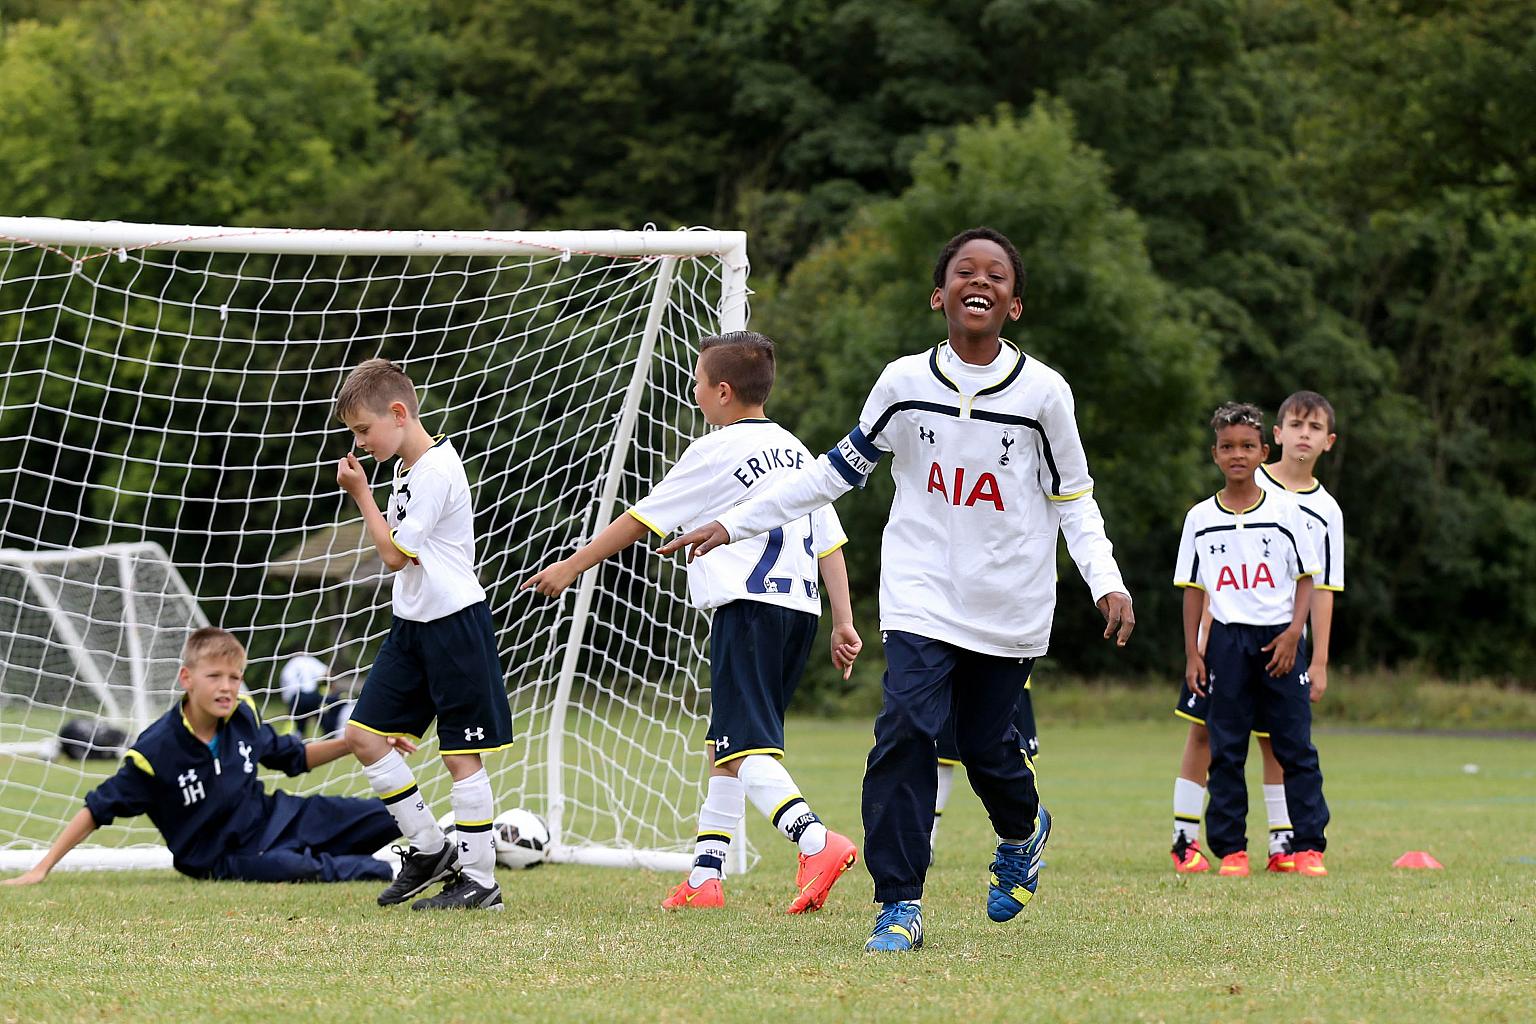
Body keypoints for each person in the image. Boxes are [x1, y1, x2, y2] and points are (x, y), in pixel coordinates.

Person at [662, 228, 1135, 952]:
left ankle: (1021, 830)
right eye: (964, 271)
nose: (981, 281)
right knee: (906, 733)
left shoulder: (1044, 395)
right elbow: (829, 476)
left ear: (1014, 305)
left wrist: (1106, 580)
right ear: (938, 294)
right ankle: (900, 906)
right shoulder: (904, 383)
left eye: (998, 275)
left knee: (985, 749)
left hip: (1008, 605)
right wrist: (732, 524)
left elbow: (1075, 498)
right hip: (921, 598)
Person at [523, 331, 864, 914]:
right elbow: (829, 543)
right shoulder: (797, 450)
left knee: (747, 744)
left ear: (722, 392)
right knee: (726, 745)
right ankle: (706, 878)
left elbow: (639, 519)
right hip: (799, 614)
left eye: (698, 385)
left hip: (748, 609)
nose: (696, 394)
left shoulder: (713, 451)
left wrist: (572, 566)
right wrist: (843, 622)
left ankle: (817, 842)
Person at [3, 627, 401, 886]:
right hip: (224, 856)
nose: (227, 687)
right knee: (298, 868)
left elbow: (291, 756)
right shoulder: (154, 751)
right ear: (187, 679)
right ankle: (398, 869)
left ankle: (446, 845)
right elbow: (97, 808)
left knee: (382, 817)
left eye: (234, 676)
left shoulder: (243, 713)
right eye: (215, 677)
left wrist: (352, 741)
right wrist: (42, 868)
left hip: (275, 817)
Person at [335, 357, 514, 911]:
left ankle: (482, 882)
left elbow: (392, 554)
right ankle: (432, 849)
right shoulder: (404, 470)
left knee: (460, 755)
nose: (361, 443)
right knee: (364, 735)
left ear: (398, 412)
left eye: (364, 430)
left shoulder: (437, 469)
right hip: (411, 625)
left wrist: (361, 495)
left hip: (454, 625)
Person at [1168, 391, 1344, 874]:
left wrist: (1294, 635)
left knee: (1294, 746)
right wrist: (1193, 653)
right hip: (1226, 641)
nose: (1238, 455)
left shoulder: (1287, 513)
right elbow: (1192, 590)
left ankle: (1307, 846)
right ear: (1216, 453)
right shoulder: (1200, 518)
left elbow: (1310, 578)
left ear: (1264, 451)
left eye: (1248, 446)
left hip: (1278, 639)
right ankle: (1231, 850)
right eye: (1228, 447)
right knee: (1225, 747)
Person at [932, 674, 1037, 854]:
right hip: (953, 675)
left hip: (1011, 673)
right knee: (942, 760)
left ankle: (1022, 845)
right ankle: (928, 841)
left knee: (1016, 757)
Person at [278, 652, 329, 736]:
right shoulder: (309, 660)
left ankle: (298, 738)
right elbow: (327, 672)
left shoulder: (289, 665)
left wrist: (288, 701)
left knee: (299, 725)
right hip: (312, 696)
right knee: (323, 720)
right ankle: (330, 735)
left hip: (297, 698)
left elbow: (285, 680)